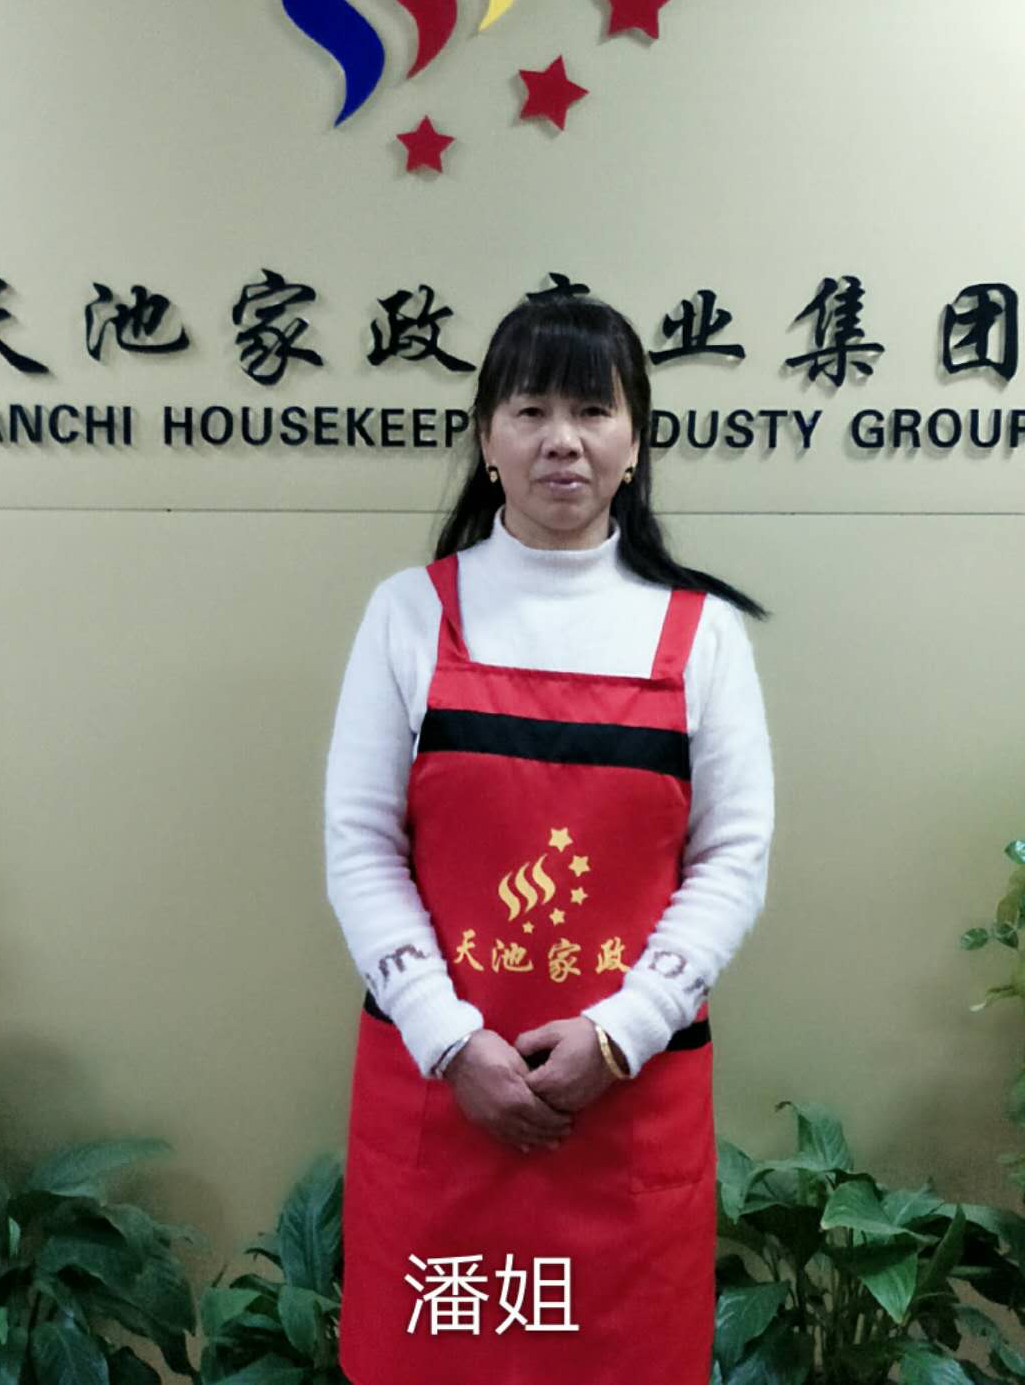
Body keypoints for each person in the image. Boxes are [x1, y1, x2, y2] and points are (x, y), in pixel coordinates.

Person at [324, 294, 774, 1385]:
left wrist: (623, 1031)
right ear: (487, 440)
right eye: (530, 410)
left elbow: (733, 856)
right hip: (443, 1092)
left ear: (636, 443)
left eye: (592, 410)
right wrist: (449, 1040)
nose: (561, 440)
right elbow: (361, 843)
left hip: (628, 1104)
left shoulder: (702, 633)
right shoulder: (409, 614)